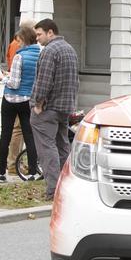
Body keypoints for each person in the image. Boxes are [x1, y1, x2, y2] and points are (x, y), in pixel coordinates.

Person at [30, 19, 79, 200]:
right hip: (65, 107)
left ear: (50, 32)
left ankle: (52, 191)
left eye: (39, 34)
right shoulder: (70, 49)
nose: (37, 38)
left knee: (46, 149)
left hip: (47, 108)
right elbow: (75, 81)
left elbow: (44, 81)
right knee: (63, 147)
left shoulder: (50, 50)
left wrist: (37, 104)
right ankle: (66, 188)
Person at [0, 24, 42, 182]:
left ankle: (2, 172)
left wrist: (2, 78)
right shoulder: (41, 54)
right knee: (29, 135)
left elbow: (14, 83)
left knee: (6, 134)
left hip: (11, 98)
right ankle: (32, 171)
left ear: (24, 39)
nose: (18, 44)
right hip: (28, 99)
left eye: (19, 40)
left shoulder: (19, 56)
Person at [3, 20, 36, 178]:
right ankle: (16, 164)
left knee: (17, 130)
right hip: (24, 96)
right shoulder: (25, 48)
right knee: (21, 130)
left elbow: (11, 69)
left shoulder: (15, 47)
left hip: (14, 93)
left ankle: (13, 163)